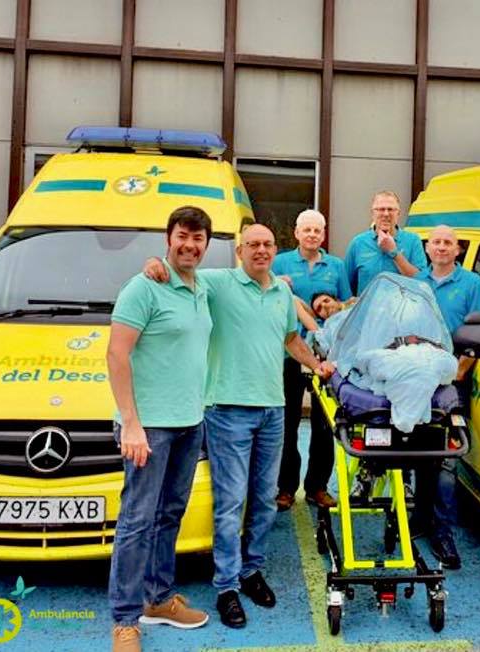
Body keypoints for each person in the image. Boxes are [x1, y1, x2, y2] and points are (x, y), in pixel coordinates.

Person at [143, 224, 334, 630]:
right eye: (252, 245)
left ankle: (251, 571)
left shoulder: (281, 292)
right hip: (227, 411)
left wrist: (316, 365)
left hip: (273, 410)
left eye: (267, 244)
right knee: (230, 503)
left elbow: (290, 339)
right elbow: (181, 272)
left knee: (264, 499)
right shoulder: (218, 283)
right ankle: (227, 586)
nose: (260, 250)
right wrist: (156, 264)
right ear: (240, 251)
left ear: (275, 249)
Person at [107, 207, 214, 652]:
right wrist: (131, 424)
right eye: (182, 236)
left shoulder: (201, 286)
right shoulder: (143, 287)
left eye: (198, 238)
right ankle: (124, 620)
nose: (189, 245)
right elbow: (116, 355)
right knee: (137, 520)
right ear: (168, 238)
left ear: (207, 244)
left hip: (189, 422)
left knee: (170, 514)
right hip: (149, 429)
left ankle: (159, 599)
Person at [411, 225, 480, 570]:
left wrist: (459, 371)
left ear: (458, 249)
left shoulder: (472, 284)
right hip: (418, 378)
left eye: (448, 243)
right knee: (418, 450)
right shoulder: (416, 283)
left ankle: (443, 533)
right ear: (427, 249)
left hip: (452, 383)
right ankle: (419, 520)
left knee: (446, 459)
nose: (442, 247)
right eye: (436, 242)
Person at [272, 210, 351, 512]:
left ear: (324, 234)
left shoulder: (337, 266)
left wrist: (332, 308)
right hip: (288, 354)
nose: (312, 235)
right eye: (307, 230)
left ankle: (318, 486)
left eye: (317, 230)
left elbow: (346, 307)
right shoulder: (279, 263)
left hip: (325, 357)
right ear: (296, 233)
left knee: (323, 424)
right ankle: (285, 488)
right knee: (287, 422)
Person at [343, 191, 427, 296]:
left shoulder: (413, 241)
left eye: (391, 209)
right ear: (372, 213)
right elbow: (346, 287)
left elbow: (421, 282)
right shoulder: (358, 243)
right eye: (381, 209)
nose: (386, 214)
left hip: (402, 306)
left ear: (398, 214)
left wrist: (394, 253)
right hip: (368, 306)